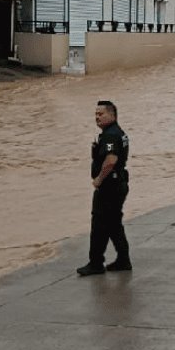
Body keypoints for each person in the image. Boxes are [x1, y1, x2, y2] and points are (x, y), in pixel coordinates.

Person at [77, 100, 132, 276]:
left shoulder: (110, 135)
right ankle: (123, 260)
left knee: (100, 225)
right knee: (114, 224)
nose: (97, 117)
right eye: (96, 114)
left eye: (101, 114)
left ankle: (96, 263)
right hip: (118, 184)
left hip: (110, 187)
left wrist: (99, 180)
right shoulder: (116, 133)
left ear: (112, 115)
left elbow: (111, 160)